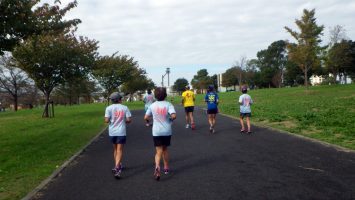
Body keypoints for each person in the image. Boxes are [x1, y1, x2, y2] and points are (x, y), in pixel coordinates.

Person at [144, 87, 176, 181]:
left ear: (155, 96)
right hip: (166, 130)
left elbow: (146, 117)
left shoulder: (152, 105)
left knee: (158, 151)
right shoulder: (168, 104)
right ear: (165, 95)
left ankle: (157, 166)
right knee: (165, 149)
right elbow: (174, 115)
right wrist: (169, 119)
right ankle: (166, 167)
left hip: (156, 131)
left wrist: (151, 120)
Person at [104, 92, 132, 179]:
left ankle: (117, 165)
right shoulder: (125, 108)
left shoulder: (108, 108)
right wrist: (124, 121)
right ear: (120, 99)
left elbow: (106, 120)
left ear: (112, 100)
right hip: (121, 132)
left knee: (115, 149)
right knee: (119, 149)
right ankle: (117, 167)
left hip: (112, 132)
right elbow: (129, 120)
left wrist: (111, 119)